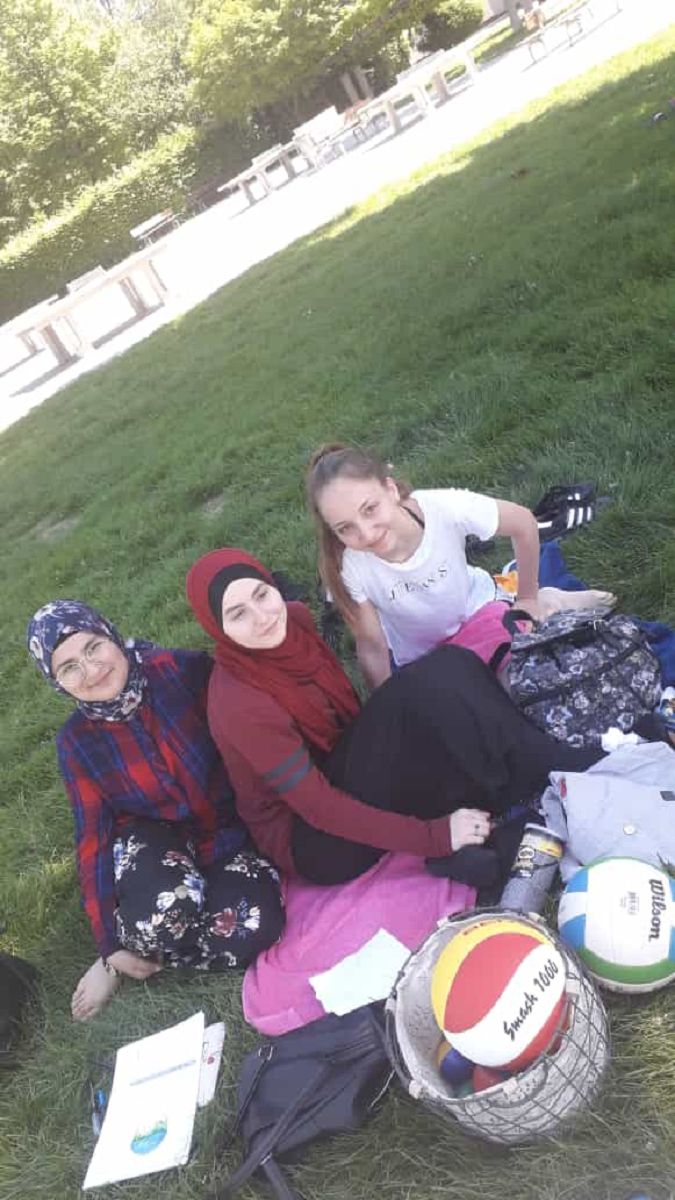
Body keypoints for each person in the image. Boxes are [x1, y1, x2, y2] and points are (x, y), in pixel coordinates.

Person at [185, 548, 602, 890]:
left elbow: (349, 713)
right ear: (217, 628)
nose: (262, 617)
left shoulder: (294, 621)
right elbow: (318, 808)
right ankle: (550, 770)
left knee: (448, 669)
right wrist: (434, 837)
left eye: (261, 595)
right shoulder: (242, 705)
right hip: (316, 841)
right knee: (427, 691)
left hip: (339, 763)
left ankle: (523, 776)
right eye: (238, 614)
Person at [26, 600, 284, 1021]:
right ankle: (120, 957)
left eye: (93, 648)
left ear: (110, 635)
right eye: (69, 668)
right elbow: (92, 836)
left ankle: (159, 934)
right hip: (155, 835)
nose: (91, 670)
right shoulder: (75, 742)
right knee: (154, 922)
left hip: (228, 829)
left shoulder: (180, 670)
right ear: (58, 684)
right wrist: (108, 944)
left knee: (257, 929)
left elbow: (254, 727)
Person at [306, 443, 615, 691]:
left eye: (370, 509)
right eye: (345, 528)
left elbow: (522, 522)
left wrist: (528, 598)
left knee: (519, 685)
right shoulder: (349, 566)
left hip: (480, 614)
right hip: (427, 657)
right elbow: (372, 645)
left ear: (390, 490)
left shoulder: (442, 508)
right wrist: (388, 706)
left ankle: (548, 602)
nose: (366, 533)